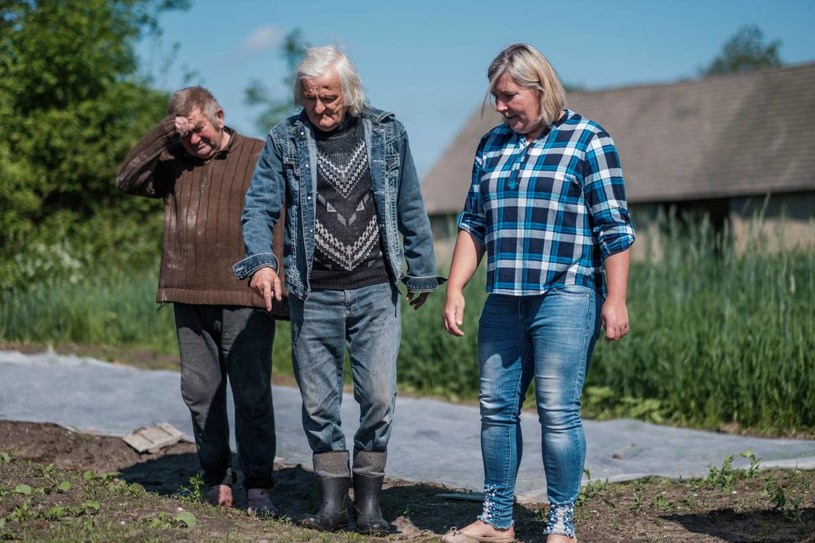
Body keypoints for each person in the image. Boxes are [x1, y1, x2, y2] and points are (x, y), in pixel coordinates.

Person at [234, 45, 444, 535]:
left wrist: (420, 269)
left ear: (349, 91)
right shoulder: (284, 138)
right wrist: (263, 263)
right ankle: (331, 506)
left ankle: (369, 506)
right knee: (318, 403)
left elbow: (409, 204)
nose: (320, 109)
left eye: (328, 98)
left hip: (375, 288)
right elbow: (259, 208)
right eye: (310, 100)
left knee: (378, 397)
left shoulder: (388, 132)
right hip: (313, 293)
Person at [441, 44, 635, 543]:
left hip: (566, 295)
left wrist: (615, 299)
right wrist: (456, 286)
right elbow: (474, 223)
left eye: (508, 97)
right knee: (495, 407)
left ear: (539, 88)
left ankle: (561, 522)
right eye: (496, 98)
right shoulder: (491, 145)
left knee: (557, 408)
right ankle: (498, 518)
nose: (500, 107)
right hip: (504, 298)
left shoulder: (588, 140)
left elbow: (614, 229)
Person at [116, 86, 288, 518]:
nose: (195, 140)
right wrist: (164, 133)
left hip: (246, 296)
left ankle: (259, 484)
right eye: (186, 132)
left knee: (251, 394)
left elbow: (280, 217)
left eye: (200, 128)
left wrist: (280, 284)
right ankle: (216, 477)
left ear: (219, 116)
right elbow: (127, 179)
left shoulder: (256, 153)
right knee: (199, 393)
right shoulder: (172, 162)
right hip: (187, 292)